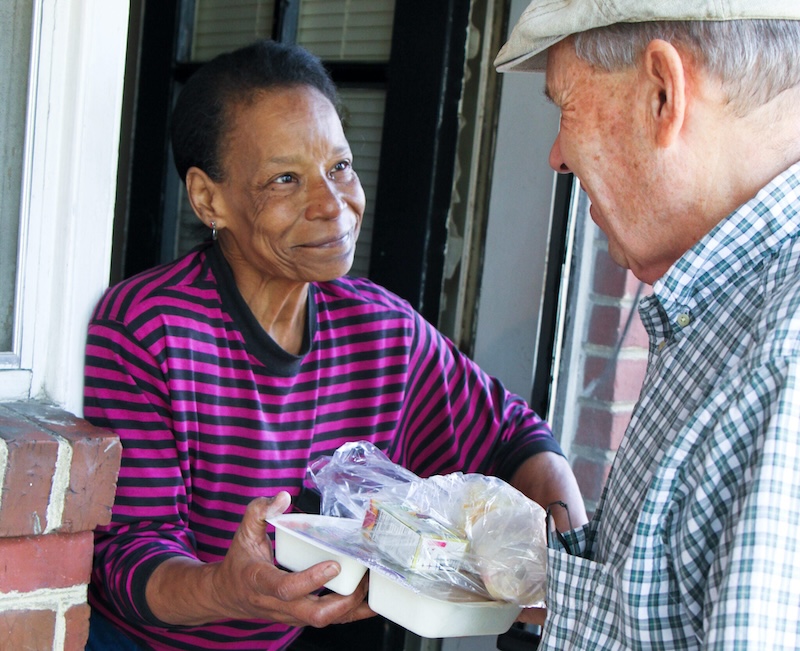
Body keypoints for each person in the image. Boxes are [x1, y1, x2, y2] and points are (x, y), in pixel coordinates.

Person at [83, 38, 586, 650]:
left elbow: (514, 438)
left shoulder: (380, 332)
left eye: (340, 167)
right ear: (209, 198)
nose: (333, 205)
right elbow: (124, 559)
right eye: (285, 179)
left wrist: (565, 574)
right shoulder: (147, 328)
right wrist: (228, 588)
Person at [494, 1, 800, 649]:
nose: (557, 156)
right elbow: (663, 601)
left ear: (663, 92)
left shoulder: (786, 351)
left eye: (564, 106)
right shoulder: (725, 305)